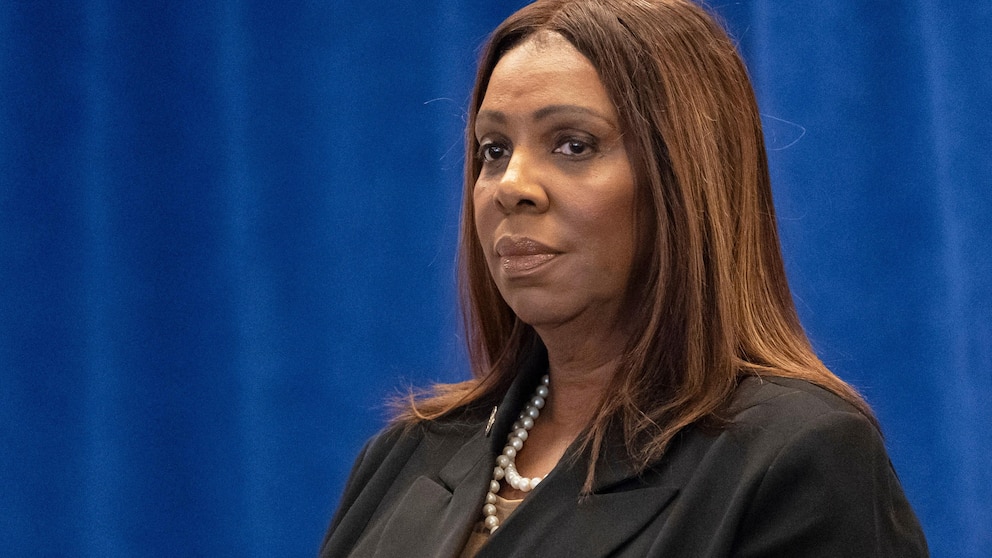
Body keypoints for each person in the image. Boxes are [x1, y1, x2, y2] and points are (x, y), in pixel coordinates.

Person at [319, 0, 929, 556]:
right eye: (494, 149)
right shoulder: (403, 456)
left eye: (573, 145)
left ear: (685, 179)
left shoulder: (797, 457)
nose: (511, 187)